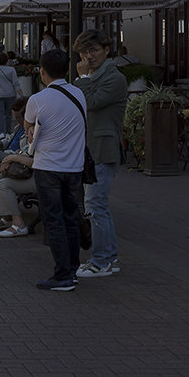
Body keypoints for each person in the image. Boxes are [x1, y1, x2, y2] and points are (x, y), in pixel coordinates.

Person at [26, 48, 87, 290]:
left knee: (54, 222)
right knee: (71, 218)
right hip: (75, 166)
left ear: (42, 72)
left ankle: (62, 275)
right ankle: (72, 269)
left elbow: (28, 124)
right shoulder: (79, 94)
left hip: (48, 166)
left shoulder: (38, 99)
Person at [74, 29, 128, 279]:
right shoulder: (96, 74)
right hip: (89, 147)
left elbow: (90, 102)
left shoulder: (113, 78)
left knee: (96, 205)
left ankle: (102, 260)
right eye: (85, 52)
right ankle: (109, 258)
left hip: (104, 148)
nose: (89, 56)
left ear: (107, 50)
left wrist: (83, 79)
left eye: (94, 50)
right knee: (96, 204)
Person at [0, 53, 25, 137]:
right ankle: (8, 131)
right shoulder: (11, 70)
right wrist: (21, 95)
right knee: (9, 114)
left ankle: (1, 132)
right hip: (10, 94)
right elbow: (16, 83)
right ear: (6, 60)